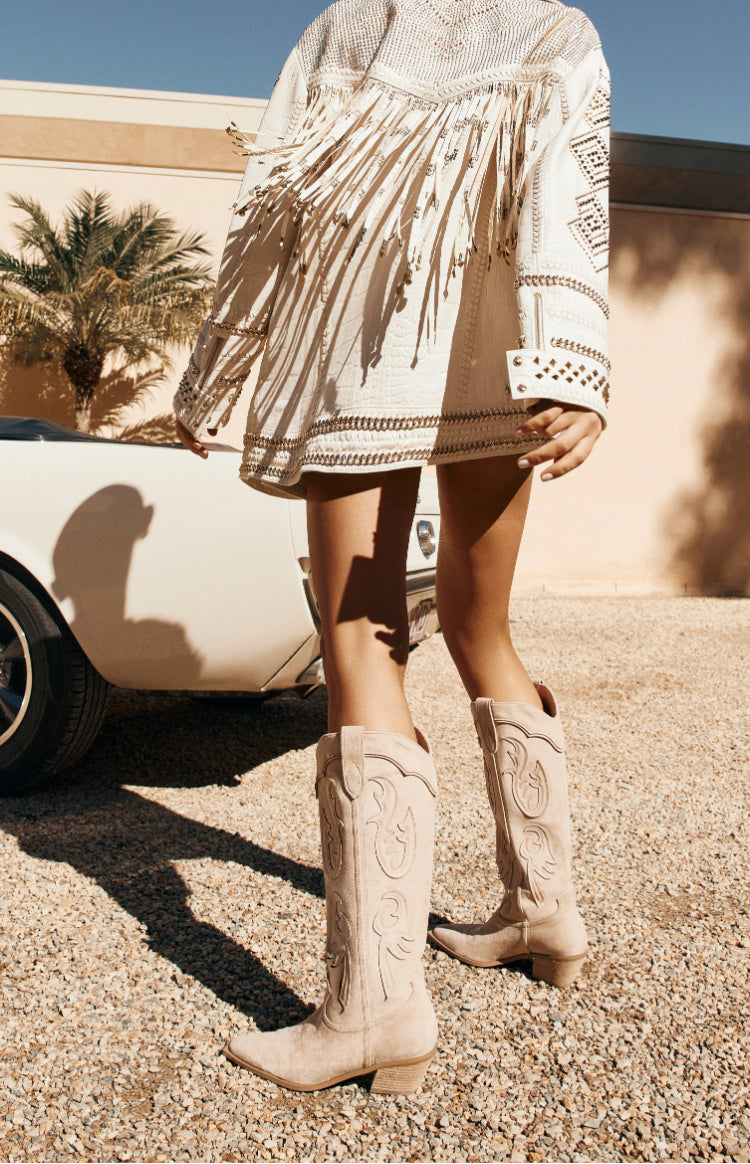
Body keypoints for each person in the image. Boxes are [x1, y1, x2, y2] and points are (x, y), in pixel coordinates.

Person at [175, 0, 609, 1094]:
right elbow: (570, 196)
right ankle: (544, 912)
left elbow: (272, 205)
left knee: (363, 646)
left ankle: (375, 1010)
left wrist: (215, 368)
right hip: (500, 357)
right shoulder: (555, 29)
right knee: (480, 625)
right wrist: (572, 366)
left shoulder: (347, 30)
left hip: (361, 353)